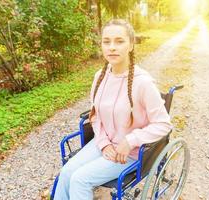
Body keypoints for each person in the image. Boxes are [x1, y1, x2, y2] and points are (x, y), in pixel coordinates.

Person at [54, 19, 172, 200]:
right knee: (67, 171)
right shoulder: (100, 77)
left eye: (119, 41)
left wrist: (131, 140)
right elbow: (95, 117)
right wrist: (103, 143)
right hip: (103, 143)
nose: (112, 47)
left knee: (80, 180)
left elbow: (164, 124)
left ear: (131, 45)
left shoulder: (143, 83)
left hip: (129, 152)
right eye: (106, 41)